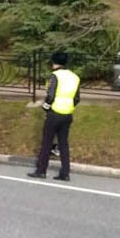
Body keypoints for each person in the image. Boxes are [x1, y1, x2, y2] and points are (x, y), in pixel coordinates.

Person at [28, 52, 80, 182]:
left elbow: (50, 95)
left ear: (53, 62)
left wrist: (45, 106)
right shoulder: (75, 77)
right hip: (68, 114)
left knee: (47, 142)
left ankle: (41, 171)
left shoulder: (55, 76)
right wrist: (70, 106)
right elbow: (77, 98)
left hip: (54, 113)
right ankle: (65, 172)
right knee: (63, 144)